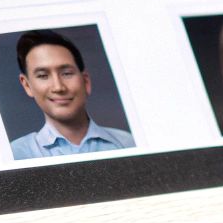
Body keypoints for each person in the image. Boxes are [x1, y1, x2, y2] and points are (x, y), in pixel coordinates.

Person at [8, 30, 134, 159]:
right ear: (27, 86)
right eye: (43, 75)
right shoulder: (16, 153)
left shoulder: (128, 143)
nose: (58, 87)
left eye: (67, 73)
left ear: (86, 81)